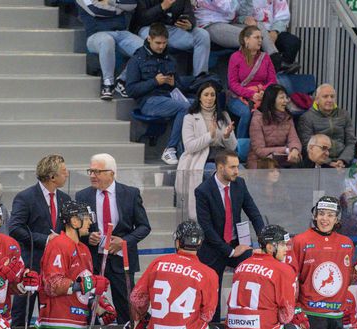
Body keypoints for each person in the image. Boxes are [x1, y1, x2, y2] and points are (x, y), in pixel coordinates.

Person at [287, 195, 357, 329]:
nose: (325, 219)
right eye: (321, 214)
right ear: (315, 216)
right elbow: (290, 281)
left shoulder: (346, 244)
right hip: (309, 316)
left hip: (337, 317)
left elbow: (345, 280)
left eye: (330, 215)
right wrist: (296, 310)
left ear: (336, 219)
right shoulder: (299, 241)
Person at [75, 153, 151, 324]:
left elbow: (144, 227)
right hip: (94, 260)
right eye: (90, 171)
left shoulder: (130, 194)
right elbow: (77, 228)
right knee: (90, 306)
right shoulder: (82, 196)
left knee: (126, 308)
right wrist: (88, 237)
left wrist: (124, 242)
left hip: (121, 261)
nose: (92, 175)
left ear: (111, 173)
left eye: (97, 172)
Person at [129, 220, 223, 329]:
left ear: (178, 242)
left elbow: (137, 299)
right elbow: (207, 315)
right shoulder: (209, 274)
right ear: (199, 244)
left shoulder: (158, 263)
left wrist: (141, 318)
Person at [195, 149, 264, 321]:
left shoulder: (239, 184)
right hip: (213, 247)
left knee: (257, 266)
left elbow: (254, 213)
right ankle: (213, 327)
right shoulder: (203, 190)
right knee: (212, 293)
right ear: (220, 167)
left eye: (237, 166)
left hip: (236, 243)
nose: (237, 171)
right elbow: (206, 228)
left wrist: (264, 241)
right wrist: (230, 251)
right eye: (232, 167)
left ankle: (248, 318)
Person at [38, 200, 113, 329]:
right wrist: (89, 283)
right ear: (74, 221)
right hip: (59, 325)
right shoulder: (58, 244)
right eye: (86, 218)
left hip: (79, 323)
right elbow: (52, 284)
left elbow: (84, 286)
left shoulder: (84, 249)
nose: (90, 222)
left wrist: (99, 304)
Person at [8, 154, 71, 327]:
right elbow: (15, 228)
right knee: (22, 313)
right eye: (64, 171)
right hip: (31, 265)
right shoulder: (25, 197)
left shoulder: (65, 198)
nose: (67, 174)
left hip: (55, 268)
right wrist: (46, 239)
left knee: (54, 313)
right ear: (52, 176)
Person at [225, 225, 308, 329]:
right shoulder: (283, 270)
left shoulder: (242, 265)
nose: (286, 249)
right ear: (270, 247)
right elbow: (286, 316)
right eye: (282, 244)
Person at [125, 22, 192, 165]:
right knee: (185, 107)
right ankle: (170, 149)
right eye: (158, 43)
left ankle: (189, 150)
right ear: (149, 39)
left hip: (169, 97)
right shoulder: (137, 59)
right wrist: (154, 82)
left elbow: (180, 86)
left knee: (198, 104)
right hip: (149, 101)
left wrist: (174, 84)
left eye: (164, 43)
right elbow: (131, 90)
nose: (161, 46)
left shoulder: (170, 59)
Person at [177, 81, 237, 220]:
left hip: (222, 156)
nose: (209, 98)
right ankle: (216, 214)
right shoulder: (190, 117)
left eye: (212, 95)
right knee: (214, 172)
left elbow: (233, 147)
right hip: (201, 158)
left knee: (240, 172)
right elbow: (190, 146)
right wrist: (210, 135)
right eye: (206, 95)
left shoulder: (224, 116)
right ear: (199, 97)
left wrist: (227, 136)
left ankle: (233, 214)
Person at [77, 0, 142, 100]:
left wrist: (111, 1)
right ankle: (108, 84)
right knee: (107, 40)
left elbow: (132, 4)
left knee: (145, 47)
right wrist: (119, 9)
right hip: (96, 34)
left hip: (121, 33)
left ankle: (122, 80)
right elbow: (95, 10)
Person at [131, 0, 211, 77]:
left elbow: (189, 13)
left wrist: (190, 24)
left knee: (202, 35)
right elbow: (140, 20)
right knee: (151, 37)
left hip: (173, 30)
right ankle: (153, 77)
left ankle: (200, 79)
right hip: (149, 28)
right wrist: (161, 7)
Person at [227, 25, 276, 139]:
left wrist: (263, 92)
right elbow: (232, 84)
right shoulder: (235, 57)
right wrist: (251, 94)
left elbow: (273, 81)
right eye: (256, 37)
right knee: (246, 112)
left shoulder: (265, 57)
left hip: (261, 95)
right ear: (246, 40)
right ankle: (240, 144)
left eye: (261, 38)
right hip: (238, 97)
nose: (260, 40)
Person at [297, 84, 356, 168]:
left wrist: (343, 160)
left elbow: (351, 142)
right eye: (325, 96)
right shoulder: (306, 118)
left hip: (344, 160)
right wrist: (329, 162)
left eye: (332, 97)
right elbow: (308, 146)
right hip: (320, 162)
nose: (330, 100)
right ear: (316, 100)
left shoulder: (344, 114)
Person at [247, 83, 301, 168]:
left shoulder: (287, 117)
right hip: (261, 162)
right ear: (272, 100)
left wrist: (294, 150)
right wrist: (286, 150)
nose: (286, 101)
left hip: (282, 160)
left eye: (286, 97)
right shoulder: (257, 119)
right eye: (282, 98)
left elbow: (294, 139)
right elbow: (259, 150)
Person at [236, 0, 300, 72]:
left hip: (272, 30)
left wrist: (275, 31)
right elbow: (234, 15)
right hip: (250, 30)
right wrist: (244, 19)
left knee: (292, 42)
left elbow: (282, 16)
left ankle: (282, 71)